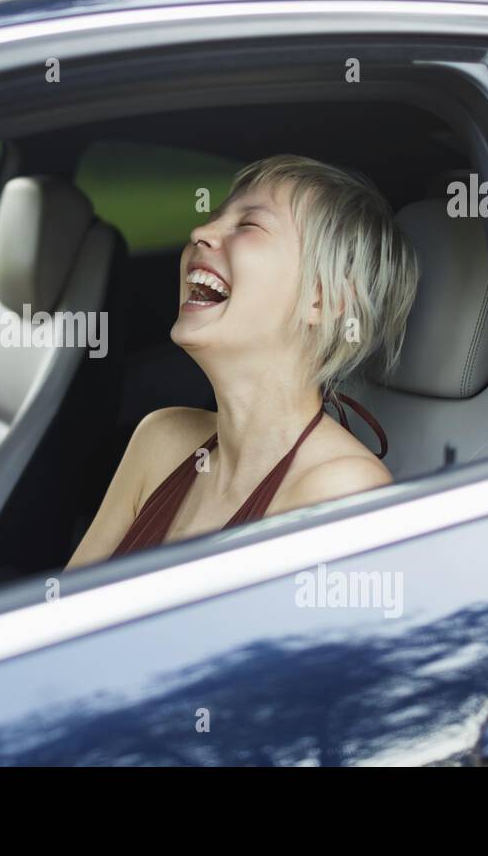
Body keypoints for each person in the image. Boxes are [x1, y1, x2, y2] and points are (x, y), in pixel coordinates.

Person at [66, 155, 418, 569]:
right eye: (215, 216)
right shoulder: (159, 439)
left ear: (323, 299)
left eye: (248, 225)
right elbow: (61, 619)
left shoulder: (344, 490)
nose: (200, 230)